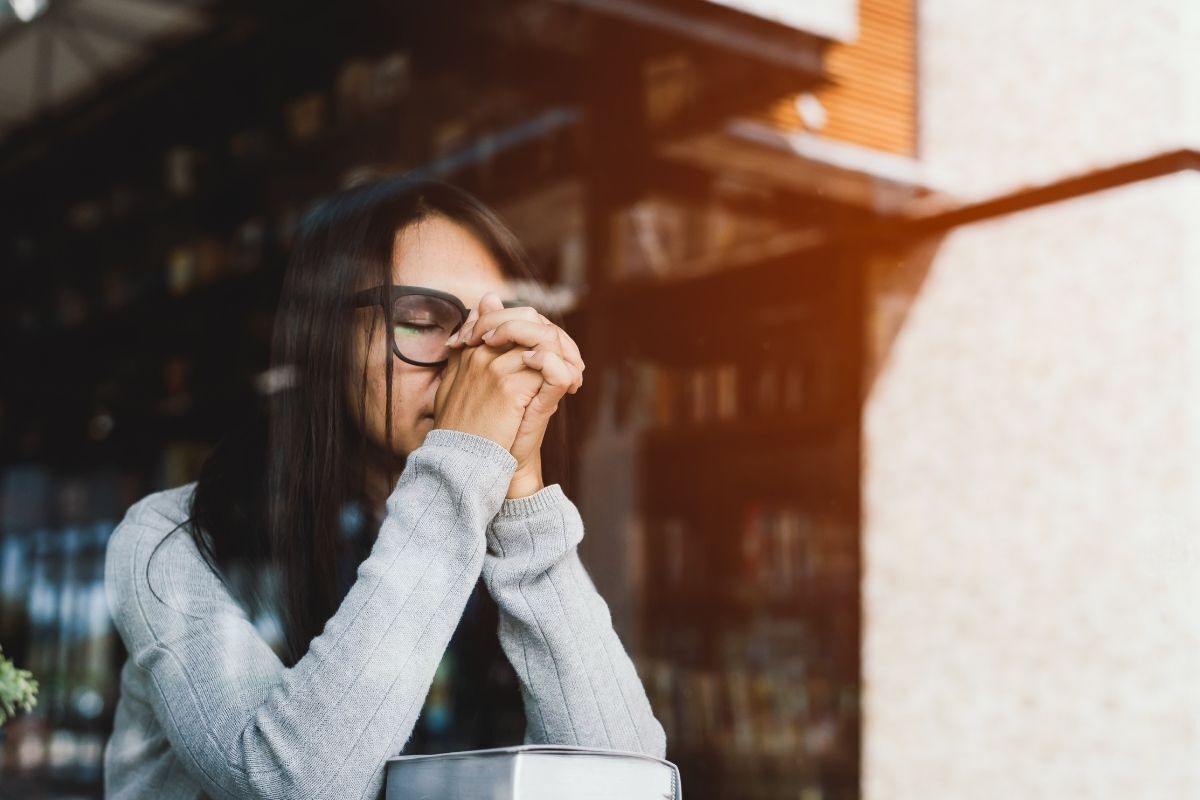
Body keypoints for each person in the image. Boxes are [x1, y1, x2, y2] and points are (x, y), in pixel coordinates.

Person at [103, 177, 667, 799]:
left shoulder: (477, 526)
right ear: (327, 338)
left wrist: (521, 502)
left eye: (498, 328)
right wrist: (464, 462)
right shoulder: (167, 540)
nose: (473, 360)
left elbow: (628, 783)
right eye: (422, 319)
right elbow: (295, 786)